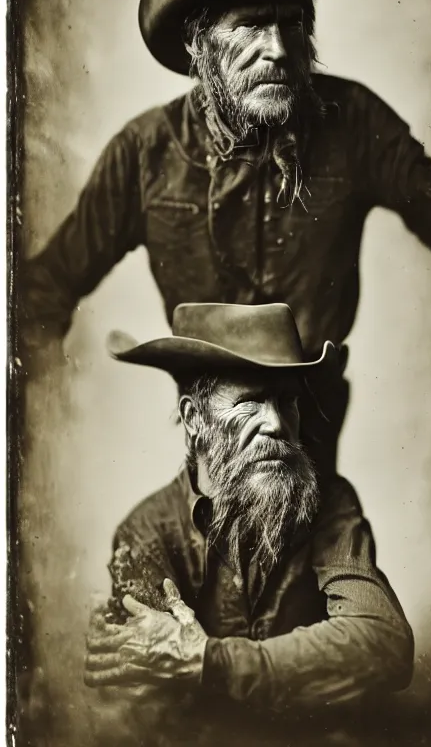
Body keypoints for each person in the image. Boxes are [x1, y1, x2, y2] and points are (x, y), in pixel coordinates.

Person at [22, 0, 431, 460]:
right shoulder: (145, 152)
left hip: (314, 428)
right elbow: (42, 293)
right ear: (199, 45)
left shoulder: (354, 121)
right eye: (250, 27)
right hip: (213, 434)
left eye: (292, 23)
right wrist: (30, 429)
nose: (280, 51)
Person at [84, 302, 414, 747]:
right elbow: (150, 703)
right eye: (250, 402)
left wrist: (209, 661)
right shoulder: (146, 533)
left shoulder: (330, 503)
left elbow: (385, 643)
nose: (277, 423)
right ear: (194, 420)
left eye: (287, 401)